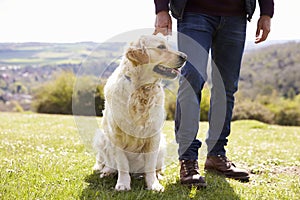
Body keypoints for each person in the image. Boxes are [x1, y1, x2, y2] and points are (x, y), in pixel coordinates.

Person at [154, 0, 274, 187]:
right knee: (191, 79)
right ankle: (188, 159)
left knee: (226, 87)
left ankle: (216, 155)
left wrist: (266, 12)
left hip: (236, 16)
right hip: (194, 12)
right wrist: (161, 9)